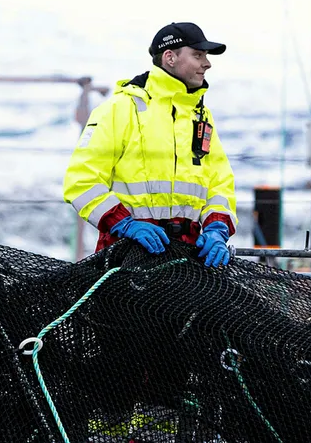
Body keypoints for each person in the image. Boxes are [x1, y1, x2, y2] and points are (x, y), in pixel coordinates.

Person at [63, 22, 237, 267]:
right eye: (198, 55)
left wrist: (217, 227)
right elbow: (81, 182)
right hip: (126, 258)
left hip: (189, 259)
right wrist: (125, 224)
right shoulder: (120, 109)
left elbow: (220, 184)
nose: (207, 63)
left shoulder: (200, 116)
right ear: (170, 57)